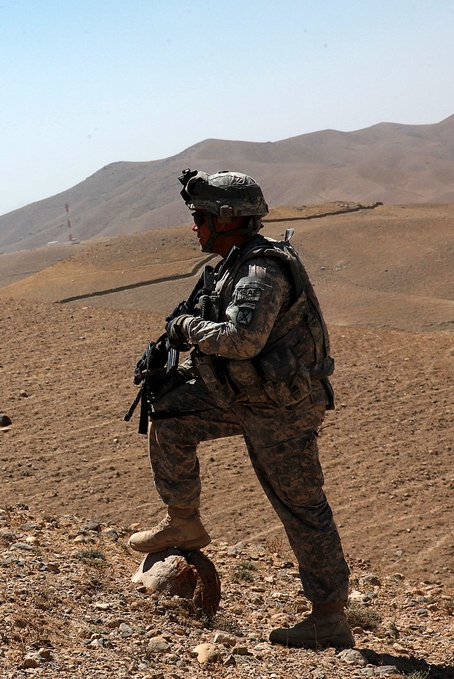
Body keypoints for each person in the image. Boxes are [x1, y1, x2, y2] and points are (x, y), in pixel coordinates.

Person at [127, 169, 353, 650]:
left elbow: (241, 339)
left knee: (301, 507)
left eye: (202, 217)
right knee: (168, 413)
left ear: (228, 220)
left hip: (281, 409)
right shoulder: (232, 263)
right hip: (243, 396)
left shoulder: (260, 272)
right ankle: (183, 519)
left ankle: (329, 617)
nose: (195, 227)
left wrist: (186, 328)